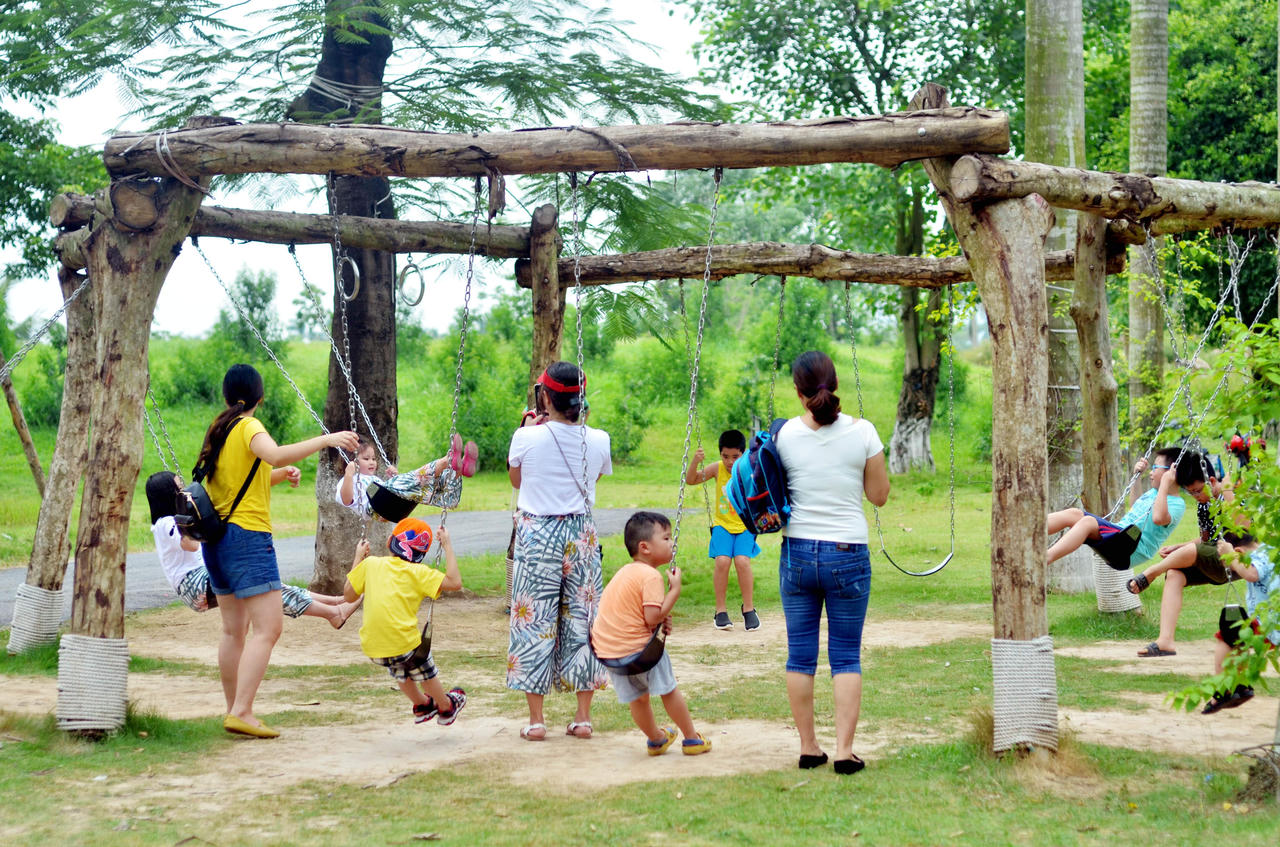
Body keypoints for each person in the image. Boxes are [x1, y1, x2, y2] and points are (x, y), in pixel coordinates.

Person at [197, 363, 359, 739]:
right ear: (260, 397)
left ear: (227, 396)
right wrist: (327, 439)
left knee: (233, 631)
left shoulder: (220, 429)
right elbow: (275, 454)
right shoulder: (249, 426)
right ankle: (242, 710)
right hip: (248, 539)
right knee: (268, 628)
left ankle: (234, 709)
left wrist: (278, 476)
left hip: (217, 540)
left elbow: (232, 482)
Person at [775, 350, 889, 775]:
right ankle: (844, 751)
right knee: (845, 656)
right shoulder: (864, 432)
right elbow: (878, 496)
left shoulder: (785, 434)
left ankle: (808, 747)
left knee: (800, 655)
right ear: (835, 384)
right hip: (848, 554)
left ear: (799, 393)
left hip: (799, 551)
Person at [506, 361, 612, 741]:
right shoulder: (598, 439)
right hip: (580, 532)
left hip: (538, 531)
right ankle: (582, 717)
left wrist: (528, 429)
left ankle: (537, 721)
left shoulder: (526, 437)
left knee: (533, 620)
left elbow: (517, 479)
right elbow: (593, 477)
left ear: (545, 397)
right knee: (584, 620)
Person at [145, 471, 359, 627]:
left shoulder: (168, 522)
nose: (184, 493)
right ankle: (333, 613)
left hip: (201, 580)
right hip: (195, 585)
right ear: (170, 494)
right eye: (179, 488)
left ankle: (335, 602)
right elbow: (191, 545)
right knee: (264, 587)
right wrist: (193, 521)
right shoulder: (166, 524)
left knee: (269, 585)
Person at [590, 511, 711, 756]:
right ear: (645, 547)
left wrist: (660, 616)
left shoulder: (626, 572)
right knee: (668, 689)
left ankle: (656, 739)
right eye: (666, 538)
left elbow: (637, 612)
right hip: (639, 650)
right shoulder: (650, 576)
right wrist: (674, 592)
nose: (672, 543)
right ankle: (691, 739)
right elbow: (651, 617)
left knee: (638, 699)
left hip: (609, 653)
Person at [345, 518, 467, 725]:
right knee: (424, 673)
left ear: (389, 542)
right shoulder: (419, 572)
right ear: (420, 555)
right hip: (404, 643)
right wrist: (447, 545)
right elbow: (455, 583)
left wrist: (358, 557)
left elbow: (348, 595)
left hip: (374, 647)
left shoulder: (371, 564)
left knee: (402, 671)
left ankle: (421, 704)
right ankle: (445, 706)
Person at [1045, 447, 1198, 568]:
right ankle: (1031, 531)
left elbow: (1158, 518)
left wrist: (1165, 483)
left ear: (1172, 472)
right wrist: (1136, 478)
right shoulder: (1154, 493)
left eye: (1155, 467)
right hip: (1120, 535)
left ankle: (1045, 558)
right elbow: (1135, 506)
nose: (1151, 472)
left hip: (1130, 549)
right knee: (1074, 514)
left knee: (1087, 522)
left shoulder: (1177, 504)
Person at [685, 430, 761, 631]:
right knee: (722, 561)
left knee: (742, 561)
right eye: (725, 456)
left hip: (745, 525)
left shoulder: (749, 468)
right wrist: (695, 460)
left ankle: (749, 609)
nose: (729, 461)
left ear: (743, 454)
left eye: (735, 457)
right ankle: (721, 611)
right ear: (720, 454)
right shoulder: (717, 469)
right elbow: (691, 480)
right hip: (722, 525)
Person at [1202, 531, 1278, 713]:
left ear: (1238, 551)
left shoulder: (1261, 556)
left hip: (1268, 621)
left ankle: (1223, 689)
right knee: (1237, 638)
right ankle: (1239, 685)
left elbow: (1252, 574)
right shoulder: (1273, 551)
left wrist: (1232, 558)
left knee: (1225, 636)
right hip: (1268, 620)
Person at [337, 433, 477, 521]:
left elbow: (392, 488)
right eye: (366, 459)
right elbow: (346, 499)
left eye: (373, 458)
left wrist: (394, 477)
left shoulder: (376, 481)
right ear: (351, 461)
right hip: (376, 508)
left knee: (429, 486)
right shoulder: (347, 481)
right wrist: (349, 475)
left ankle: (458, 470)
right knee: (416, 477)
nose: (372, 462)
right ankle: (447, 460)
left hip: (397, 507)